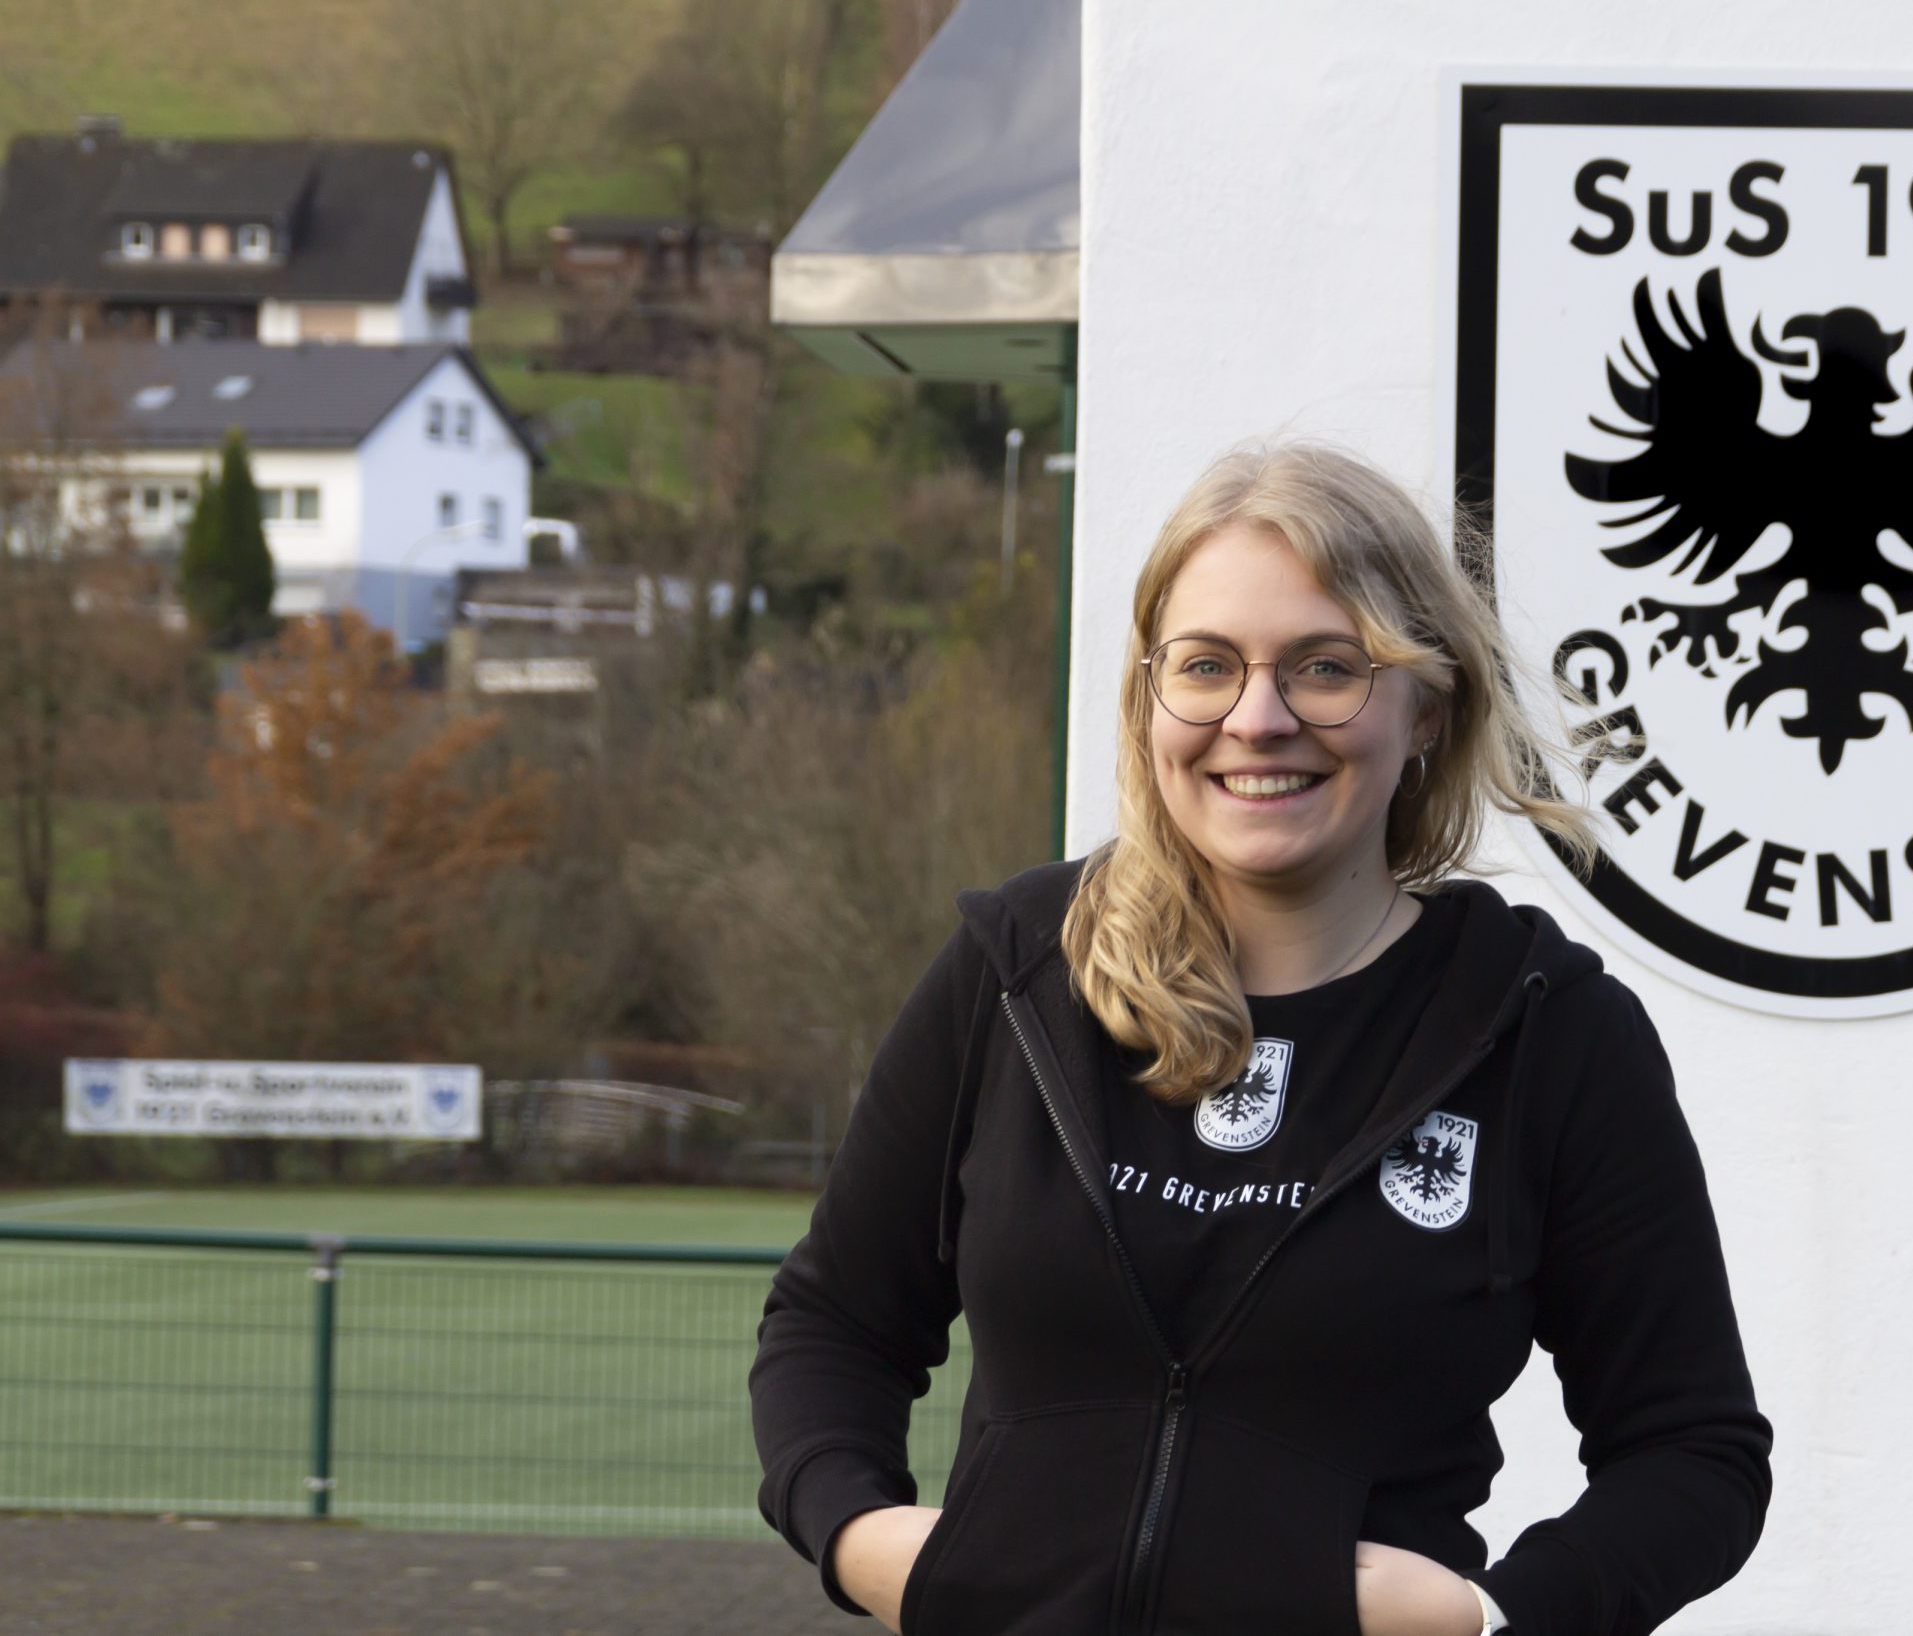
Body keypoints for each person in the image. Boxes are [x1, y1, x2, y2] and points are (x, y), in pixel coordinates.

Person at [750, 440, 1772, 1635]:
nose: (1259, 718)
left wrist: (1487, 1619)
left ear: (1426, 709)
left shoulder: (1545, 1031)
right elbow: (832, 1323)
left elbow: (1694, 1453)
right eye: (1206, 667)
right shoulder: (1021, 971)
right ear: (1150, 699)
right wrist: (871, 1546)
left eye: (1327, 668)